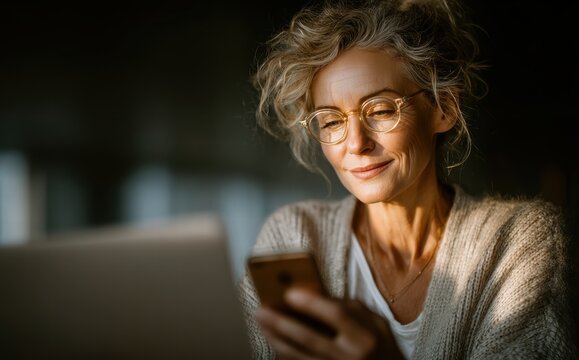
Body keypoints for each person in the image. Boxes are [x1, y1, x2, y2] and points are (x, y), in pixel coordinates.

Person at [236, 0, 577, 359]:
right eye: (332, 121)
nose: (356, 144)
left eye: (381, 110)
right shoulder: (294, 235)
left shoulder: (515, 242)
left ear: (443, 108)